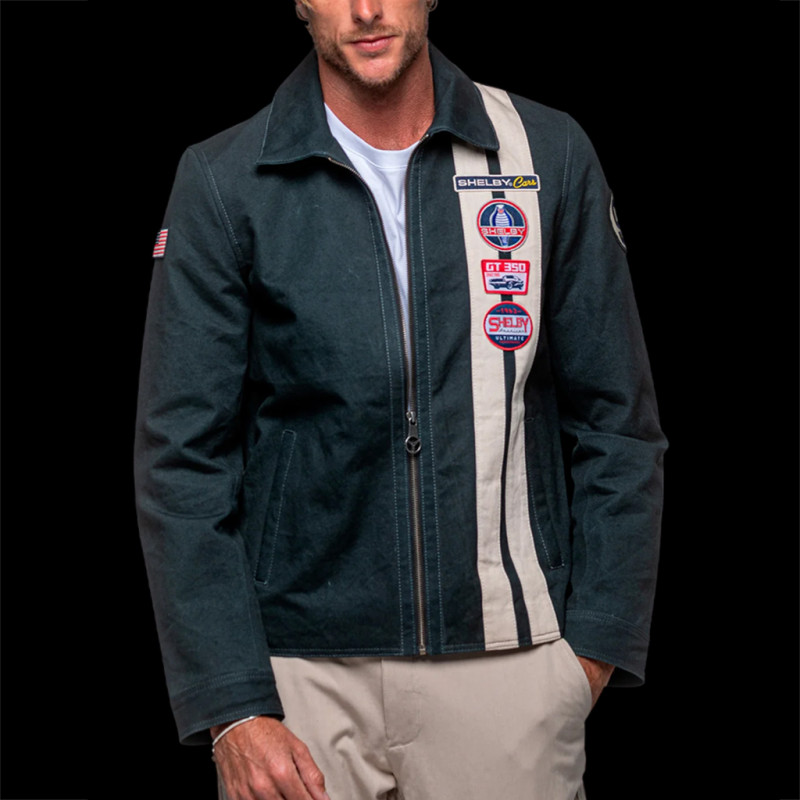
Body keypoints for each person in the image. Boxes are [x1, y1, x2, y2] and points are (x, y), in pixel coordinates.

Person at [134, 1, 667, 798]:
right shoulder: (226, 177)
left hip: (508, 666)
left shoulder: (544, 151)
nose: (367, 10)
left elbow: (618, 423)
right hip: (298, 679)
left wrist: (589, 654)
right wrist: (232, 705)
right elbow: (181, 461)